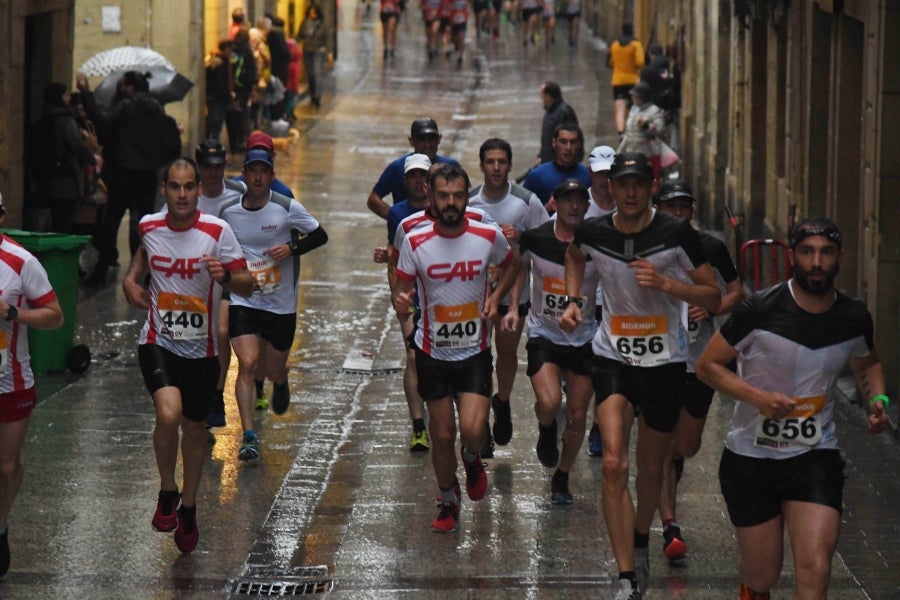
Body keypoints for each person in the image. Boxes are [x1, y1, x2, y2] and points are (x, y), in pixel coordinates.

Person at [696, 218, 890, 600]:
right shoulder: (759, 310)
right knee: (762, 575)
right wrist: (758, 399)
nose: (816, 262)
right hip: (751, 459)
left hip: (815, 456)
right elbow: (707, 366)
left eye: (826, 252)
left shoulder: (853, 317)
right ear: (793, 257)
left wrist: (878, 401)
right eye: (807, 252)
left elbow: (867, 362)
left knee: (816, 566)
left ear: (839, 259)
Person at [561, 152, 720, 599]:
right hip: (613, 358)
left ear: (651, 187)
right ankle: (627, 576)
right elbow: (574, 256)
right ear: (610, 186)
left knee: (652, 467)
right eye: (622, 183)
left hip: (665, 363)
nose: (630, 192)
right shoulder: (593, 231)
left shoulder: (676, 234)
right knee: (614, 463)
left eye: (638, 184)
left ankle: (642, 538)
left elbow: (711, 292)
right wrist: (574, 299)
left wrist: (669, 285)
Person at [122, 158, 253, 553]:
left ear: (198, 190)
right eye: (175, 187)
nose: (182, 195)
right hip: (158, 340)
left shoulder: (218, 232)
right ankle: (167, 490)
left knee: (195, 431)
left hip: (203, 351)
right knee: (168, 412)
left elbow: (248, 285)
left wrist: (227, 276)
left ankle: (190, 507)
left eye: (188, 187)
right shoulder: (148, 226)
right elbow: (139, 267)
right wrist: (130, 285)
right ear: (164, 189)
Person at [393, 163, 520, 532]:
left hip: (474, 353)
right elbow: (402, 286)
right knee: (442, 434)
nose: (451, 203)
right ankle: (448, 498)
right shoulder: (414, 239)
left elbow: (513, 263)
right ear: (431, 197)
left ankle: (472, 456)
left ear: (467, 196)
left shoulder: (486, 233)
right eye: (444, 196)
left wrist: (497, 297)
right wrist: (402, 302)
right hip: (432, 352)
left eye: (458, 196)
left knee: (474, 430)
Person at [652, 180, 744, 562]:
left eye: (684, 208)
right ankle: (670, 526)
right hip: (657, 360)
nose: (678, 214)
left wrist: (713, 308)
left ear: (691, 212)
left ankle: (673, 460)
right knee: (659, 444)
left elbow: (738, 290)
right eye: (671, 208)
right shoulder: (648, 247)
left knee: (686, 446)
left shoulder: (710, 247)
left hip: (699, 362)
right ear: (659, 210)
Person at [219, 149, 328, 462]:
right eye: (252, 171)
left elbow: (320, 235)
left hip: (280, 303)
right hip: (244, 298)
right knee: (248, 364)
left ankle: (280, 378)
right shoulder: (229, 212)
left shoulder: (286, 207)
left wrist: (292, 247)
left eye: (263, 172)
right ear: (244, 174)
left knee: (270, 367)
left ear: (271, 176)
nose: (257, 178)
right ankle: (249, 435)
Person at [506, 179, 598, 505]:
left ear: (587, 207)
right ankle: (546, 429)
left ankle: (562, 475)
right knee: (548, 403)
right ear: (555, 203)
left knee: (576, 415)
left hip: (584, 338)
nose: (574, 206)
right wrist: (515, 306)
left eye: (579, 201)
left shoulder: (596, 242)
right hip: (544, 334)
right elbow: (519, 267)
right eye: (567, 200)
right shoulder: (536, 238)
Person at [469, 138, 549, 451]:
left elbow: (545, 239)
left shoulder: (526, 201)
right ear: (482, 165)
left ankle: (501, 402)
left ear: (510, 165)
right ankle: (480, 424)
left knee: (506, 353)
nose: (497, 168)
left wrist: (522, 236)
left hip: (514, 293)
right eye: (490, 162)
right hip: (477, 292)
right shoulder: (470, 201)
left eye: (502, 162)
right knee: (478, 356)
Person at [0, 191, 65, 576]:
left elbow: (55, 316)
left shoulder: (22, 262)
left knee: (6, 468)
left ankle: (2, 526)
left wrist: (12, 312)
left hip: (12, 379)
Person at [76, 70, 182, 285]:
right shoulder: (157, 110)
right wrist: (153, 161)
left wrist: (86, 94)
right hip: (147, 176)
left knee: (111, 223)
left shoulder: (125, 107)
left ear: (131, 87)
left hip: (122, 175)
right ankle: (143, 273)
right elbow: (171, 147)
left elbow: (102, 122)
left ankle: (101, 270)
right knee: (143, 225)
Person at [385, 154, 433, 452]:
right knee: (413, 357)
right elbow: (394, 257)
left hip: (440, 298)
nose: (418, 181)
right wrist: (396, 295)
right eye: (413, 176)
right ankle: (418, 425)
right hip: (412, 296)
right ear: (406, 182)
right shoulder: (398, 215)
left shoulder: (447, 209)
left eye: (423, 176)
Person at [24, 82, 97, 233]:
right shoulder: (66, 121)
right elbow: (76, 146)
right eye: (66, 94)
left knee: (50, 223)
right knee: (63, 224)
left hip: (44, 182)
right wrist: (91, 158)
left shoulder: (42, 120)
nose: (69, 97)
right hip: (65, 182)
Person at [583, 145, 617, 457]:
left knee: (606, 366)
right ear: (591, 172)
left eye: (609, 173)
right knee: (594, 366)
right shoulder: (578, 204)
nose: (604, 180)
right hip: (587, 299)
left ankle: (598, 426)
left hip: (619, 300)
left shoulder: (628, 206)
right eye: (599, 173)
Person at [366, 117, 460, 220]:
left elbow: (466, 196)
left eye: (431, 139)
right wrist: (398, 220)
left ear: (439, 139)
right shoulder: (397, 167)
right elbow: (373, 200)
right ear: (411, 141)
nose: (427, 144)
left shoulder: (451, 167)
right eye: (422, 140)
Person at [523, 122, 591, 208]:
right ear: (554, 143)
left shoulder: (588, 175)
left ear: (579, 145)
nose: (568, 148)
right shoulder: (537, 176)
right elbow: (524, 212)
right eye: (563, 142)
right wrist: (548, 207)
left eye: (573, 142)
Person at [618, 81, 667, 180]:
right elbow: (628, 135)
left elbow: (660, 130)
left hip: (648, 155)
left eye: (635, 96)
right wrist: (619, 153)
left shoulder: (654, 110)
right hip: (631, 153)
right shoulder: (633, 109)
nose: (633, 98)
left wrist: (645, 125)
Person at [606, 22, 645, 137]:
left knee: (619, 108)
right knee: (634, 107)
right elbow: (640, 62)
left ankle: (620, 132)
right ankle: (630, 130)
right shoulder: (636, 44)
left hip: (618, 81)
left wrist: (618, 65)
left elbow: (609, 62)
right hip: (633, 80)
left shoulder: (615, 45)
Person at [296, 4, 333, 109]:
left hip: (318, 51)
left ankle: (317, 97)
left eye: (314, 12)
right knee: (310, 75)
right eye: (311, 12)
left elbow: (328, 39)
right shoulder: (305, 23)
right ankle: (312, 95)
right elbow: (299, 35)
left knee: (317, 74)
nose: (312, 15)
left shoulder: (323, 25)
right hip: (307, 50)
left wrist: (329, 53)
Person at [536, 81, 579, 166]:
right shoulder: (550, 112)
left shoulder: (564, 111)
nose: (541, 98)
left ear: (548, 95)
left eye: (542, 95)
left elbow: (573, 138)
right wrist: (541, 156)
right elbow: (547, 139)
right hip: (549, 162)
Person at [205, 40, 235, 141]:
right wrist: (227, 95)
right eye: (230, 49)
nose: (231, 52)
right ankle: (213, 144)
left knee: (216, 123)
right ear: (226, 49)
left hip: (217, 97)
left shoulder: (219, 61)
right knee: (215, 122)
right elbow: (219, 83)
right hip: (217, 98)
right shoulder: (219, 63)